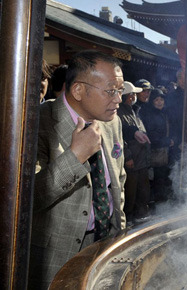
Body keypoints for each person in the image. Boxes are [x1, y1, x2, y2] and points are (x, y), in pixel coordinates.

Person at [30, 50, 126, 288]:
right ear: (79, 91)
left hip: (106, 242)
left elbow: (118, 179)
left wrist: (119, 233)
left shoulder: (112, 121)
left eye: (120, 90)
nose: (119, 99)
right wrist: (76, 156)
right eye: (111, 90)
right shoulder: (37, 122)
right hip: (58, 251)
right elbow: (28, 197)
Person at [118, 81, 152, 225]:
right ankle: (128, 221)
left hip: (142, 159)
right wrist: (127, 157)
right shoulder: (118, 111)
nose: (133, 96)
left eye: (133, 94)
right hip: (132, 160)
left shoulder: (134, 110)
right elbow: (119, 137)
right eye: (129, 94)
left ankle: (141, 219)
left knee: (142, 191)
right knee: (129, 194)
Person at [140, 89, 174, 202]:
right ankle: (157, 203)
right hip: (155, 152)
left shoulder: (164, 113)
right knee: (156, 179)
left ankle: (162, 201)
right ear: (152, 101)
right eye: (156, 99)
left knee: (163, 177)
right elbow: (151, 136)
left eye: (161, 99)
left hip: (164, 152)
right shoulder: (149, 114)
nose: (159, 102)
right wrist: (167, 141)